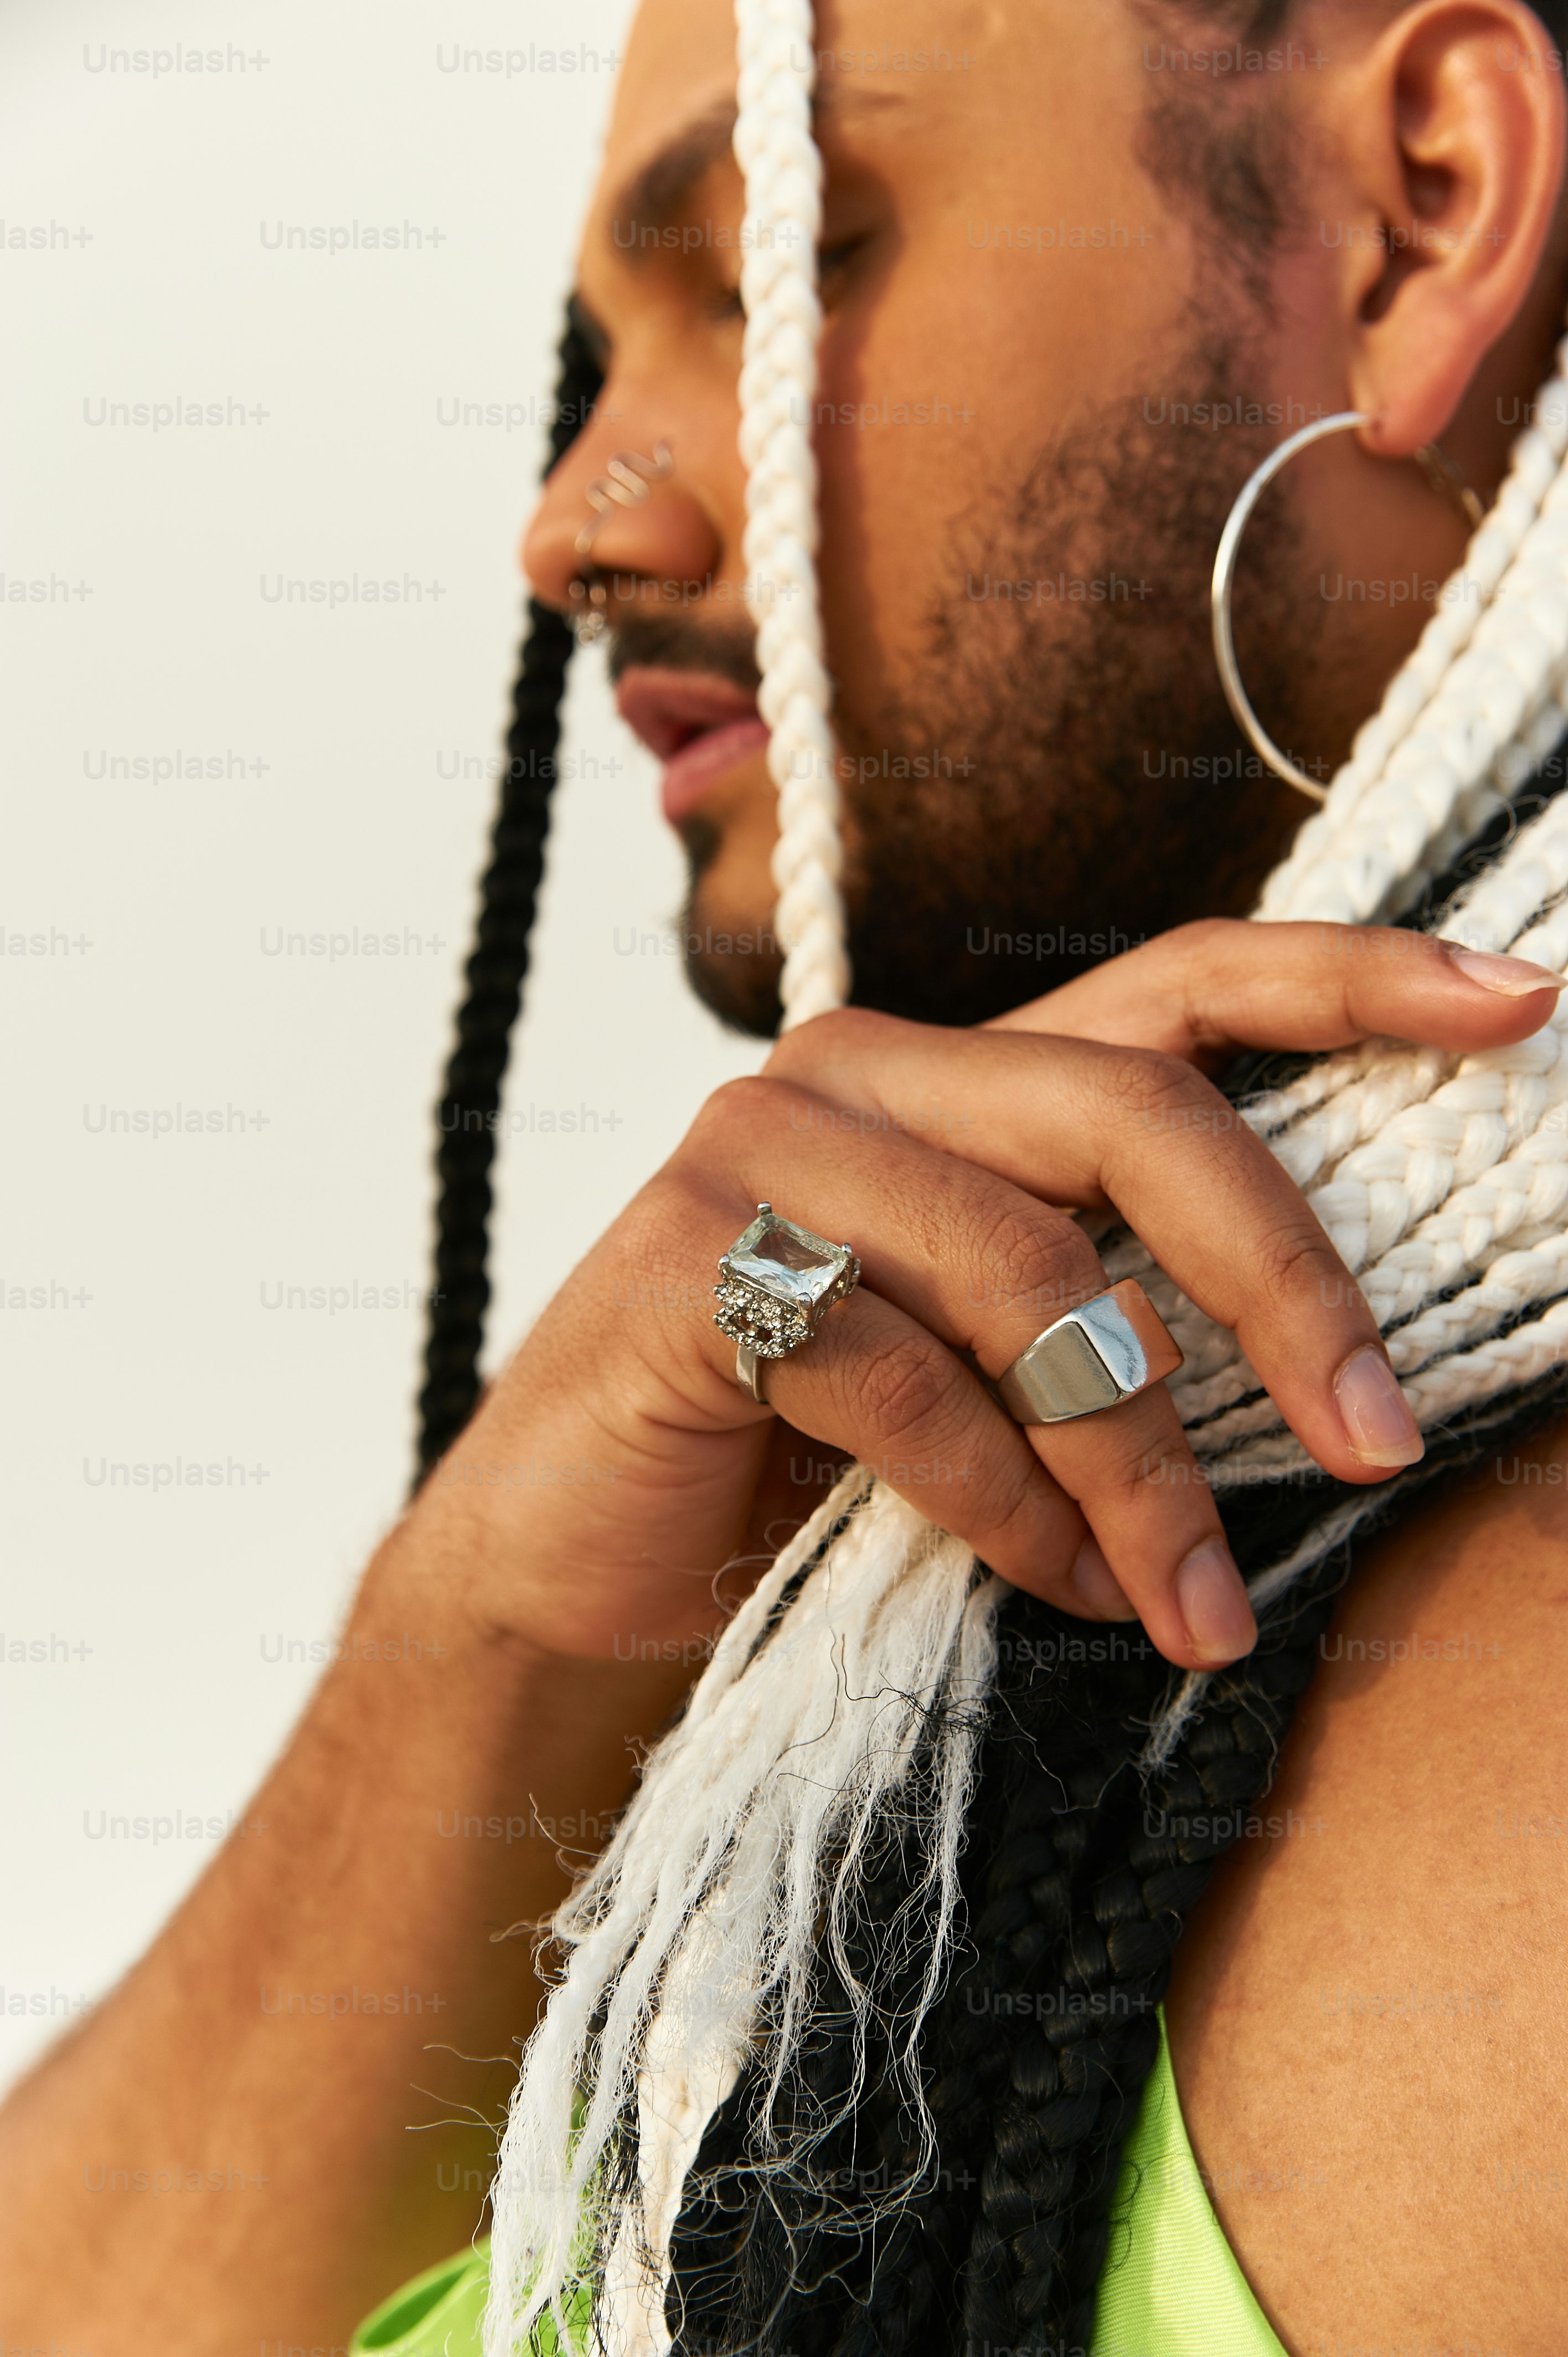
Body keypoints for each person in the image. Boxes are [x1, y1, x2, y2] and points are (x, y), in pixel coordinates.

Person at [8, 0, 1568, 2350]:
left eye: (783, 261)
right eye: (592, 365)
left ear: (1422, 206)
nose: (582, 520)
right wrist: (482, 1651)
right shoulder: (846, 1584)